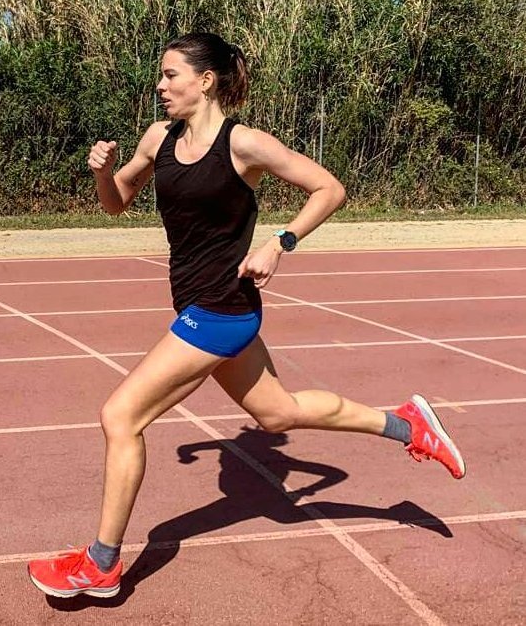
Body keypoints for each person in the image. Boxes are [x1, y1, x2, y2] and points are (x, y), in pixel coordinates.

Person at [28, 32, 465, 600]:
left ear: (205, 81)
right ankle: (409, 424)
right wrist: (101, 173)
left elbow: (329, 189)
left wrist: (279, 242)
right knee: (278, 414)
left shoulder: (245, 144)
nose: (160, 86)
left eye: (171, 75)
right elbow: (116, 202)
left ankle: (102, 564)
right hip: (199, 303)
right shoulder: (158, 138)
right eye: (161, 76)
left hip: (222, 309)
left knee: (121, 417)